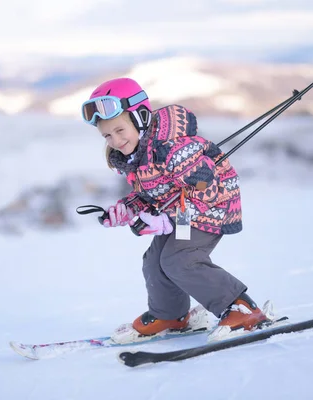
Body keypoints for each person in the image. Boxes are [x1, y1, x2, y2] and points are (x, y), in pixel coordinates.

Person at [81, 77, 269, 341]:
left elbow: (207, 189)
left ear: (141, 117)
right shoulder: (136, 157)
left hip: (213, 207)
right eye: (107, 135)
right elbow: (151, 194)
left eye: (120, 130)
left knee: (181, 260)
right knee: (155, 261)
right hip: (182, 211)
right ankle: (170, 315)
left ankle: (241, 308)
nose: (115, 140)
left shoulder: (173, 150)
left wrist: (166, 221)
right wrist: (126, 209)